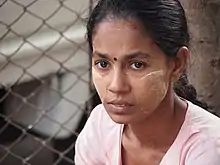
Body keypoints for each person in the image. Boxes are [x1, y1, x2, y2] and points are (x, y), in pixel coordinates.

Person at [75, 0, 220, 164]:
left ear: (177, 64)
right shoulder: (100, 127)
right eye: (103, 64)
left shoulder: (208, 148)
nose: (116, 86)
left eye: (137, 65)